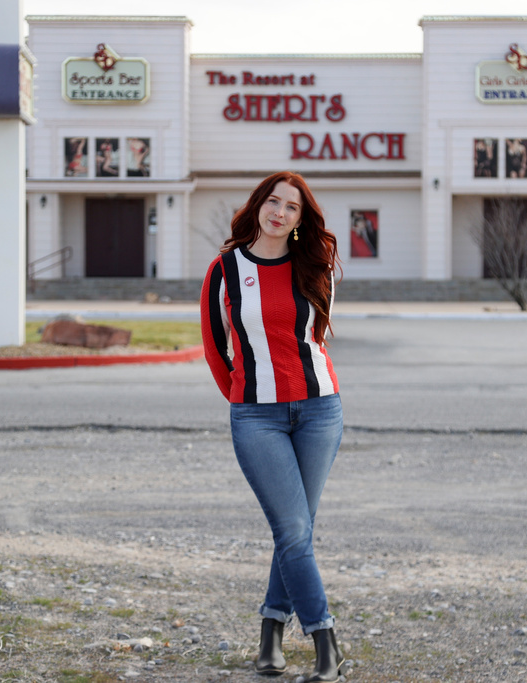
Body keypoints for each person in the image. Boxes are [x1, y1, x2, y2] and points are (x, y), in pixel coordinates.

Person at [200, 171, 345, 682]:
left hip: (320, 410)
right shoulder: (225, 269)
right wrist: (245, 396)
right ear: (258, 204)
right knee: (292, 530)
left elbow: (317, 339)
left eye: (292, 207)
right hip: (257, 416)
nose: (279, 212)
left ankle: (270, 636)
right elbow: (216, 348)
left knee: (295, 533)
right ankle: (327, 645)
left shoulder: (315, 266)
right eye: (273, 201)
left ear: (302, 221)